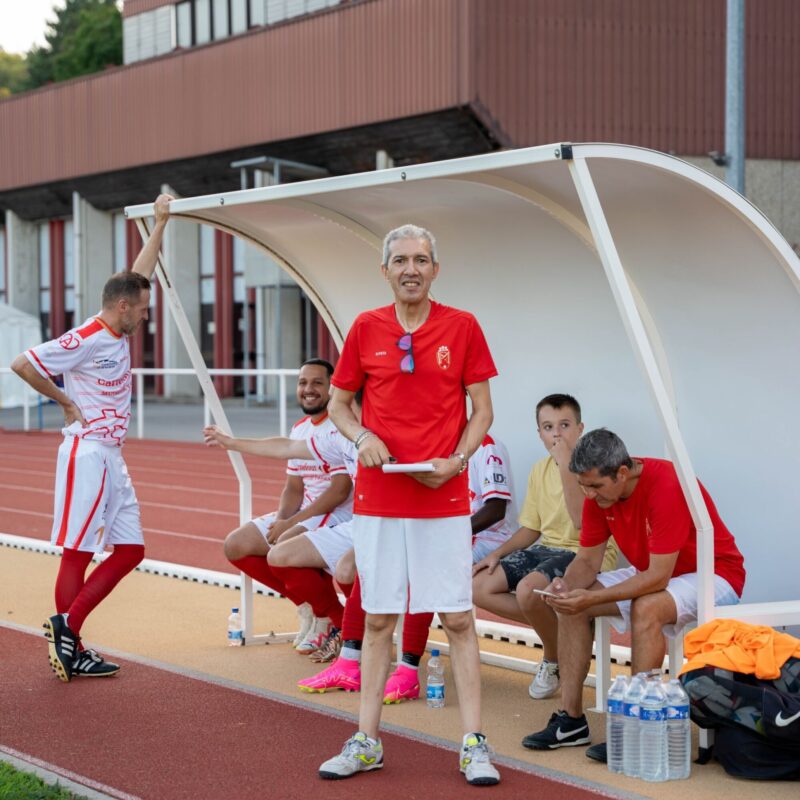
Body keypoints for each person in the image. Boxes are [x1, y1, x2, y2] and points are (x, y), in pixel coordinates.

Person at [320, 224, 502, 786]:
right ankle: (366, 740)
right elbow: (339, 405)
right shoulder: (365, 327)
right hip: (379, 499)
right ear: (386, 271)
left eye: (421, 259)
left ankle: (474, 746)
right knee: (377, 619)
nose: (411, 269)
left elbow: (483, 412)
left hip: (443, 495)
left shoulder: (463, 326)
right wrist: (360, 439)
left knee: (458, 618)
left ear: (435, 269)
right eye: (400, 260)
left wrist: (459, 459)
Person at [10, 194, 174, 682]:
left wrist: (159, 225)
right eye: (142, 309)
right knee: (78, 552)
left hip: (111, 456)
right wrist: (64, 403)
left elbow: (137, 276)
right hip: (87, 452)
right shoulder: (86, 337)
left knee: (131, 550)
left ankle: (68, 627)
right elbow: (23, 363)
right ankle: (73, 645)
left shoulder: (117, 330)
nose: (145, 316)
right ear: (123, 307)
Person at [522, 428, 746, 758]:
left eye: (596, 485)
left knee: (647, 607)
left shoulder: (667, 484)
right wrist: (567, 587)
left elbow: (658, 577)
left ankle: (639, 726)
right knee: (572, 603)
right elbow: (586, 560)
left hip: (714, 573)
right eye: (583, 485)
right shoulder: (596, 493)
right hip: (659, 570)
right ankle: (570, 721)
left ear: (623, 472)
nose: (588, 494)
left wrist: (592, 596)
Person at [299, 433, 517, 698]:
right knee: (376, 560)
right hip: (439, 533)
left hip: (485, 539)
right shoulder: (431, 441)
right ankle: (347, 662)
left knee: (420, 563)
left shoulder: (486, 445)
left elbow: (496, 510)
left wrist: (445, 532)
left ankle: (407, 673)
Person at [472, 394, 617, 700]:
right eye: (548, 427)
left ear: (580, 429)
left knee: (528, 591)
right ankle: (565, 633)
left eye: (564, 425)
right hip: (548, 548)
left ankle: (552, 658)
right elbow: (531, 529)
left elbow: (581, 523)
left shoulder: (592, 469)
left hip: (586, 553)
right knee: (478, 586)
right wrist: (496, 554)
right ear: (539, 433)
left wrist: (567, 466)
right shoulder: (540, 469)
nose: (557, 434)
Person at [221, 359, 352, 654]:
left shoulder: (341, 427)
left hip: (336, 511)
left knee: (283, 546)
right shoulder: (300, 428)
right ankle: (307, 605)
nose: (308, 389)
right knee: (236, 545)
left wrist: (289, 526)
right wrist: (279, 521)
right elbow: (294, 486)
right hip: (306, 510)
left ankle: (330, 618)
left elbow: (339, 490)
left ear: (333, 387)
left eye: (317, 382)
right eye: (303, 382)